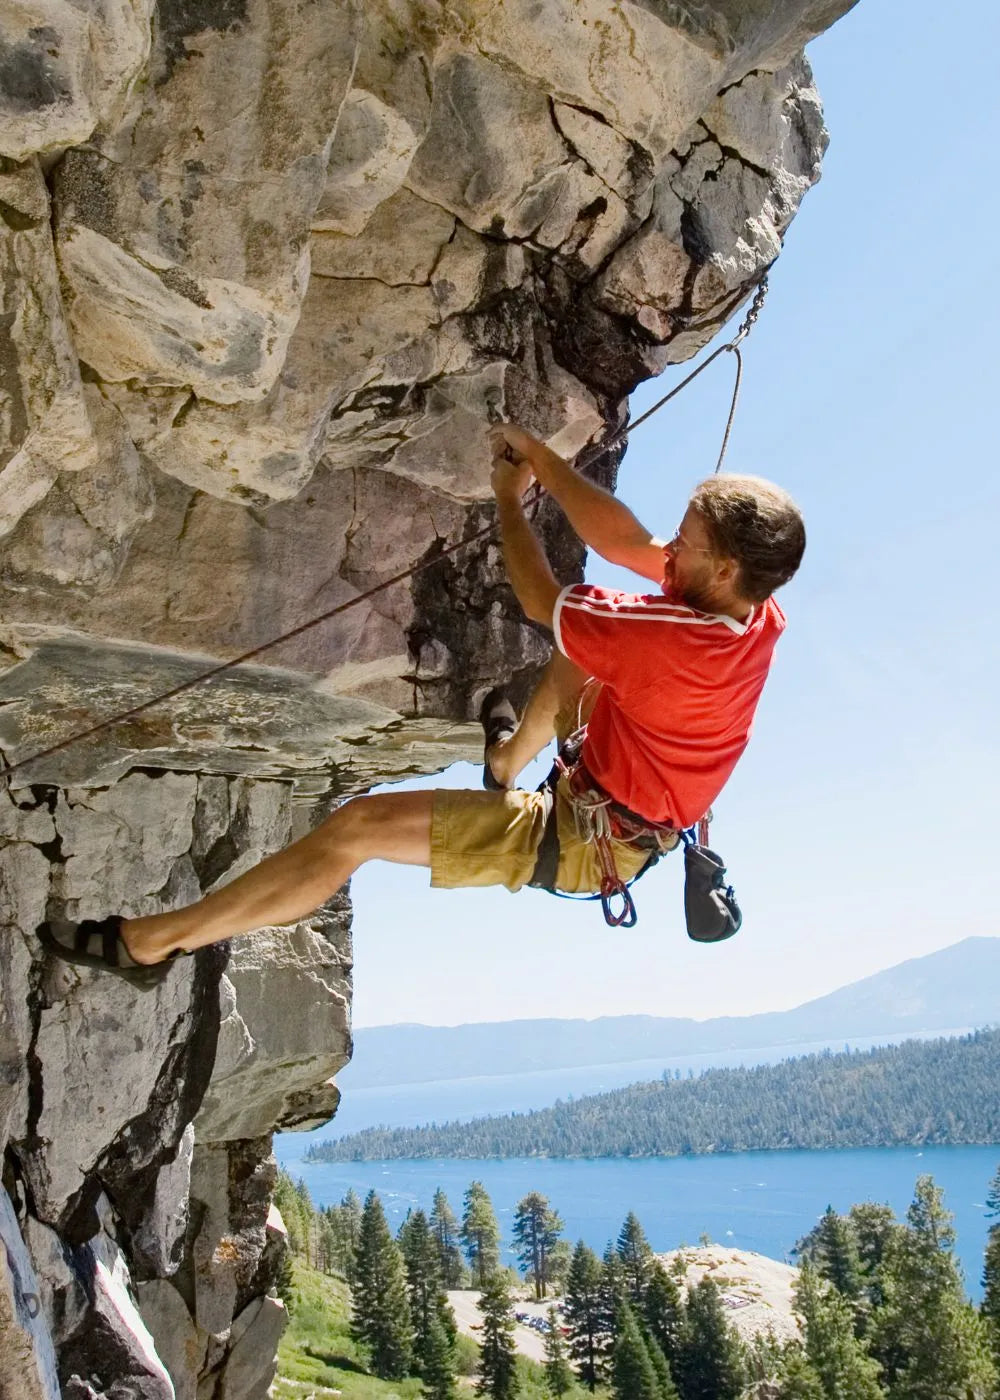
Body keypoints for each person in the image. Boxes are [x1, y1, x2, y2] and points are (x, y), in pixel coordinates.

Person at [37, 423, 805, 989]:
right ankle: (506, 760)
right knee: (585, 645)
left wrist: (509, 499)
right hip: (625, 790)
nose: (670, 550)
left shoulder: (668, 639)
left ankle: (151, 945)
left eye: (687, 544)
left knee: (355, 830)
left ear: (724, 568)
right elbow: (629, 541)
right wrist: (541, 457)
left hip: (582, 841)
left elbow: (539, 597)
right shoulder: (756, 609)